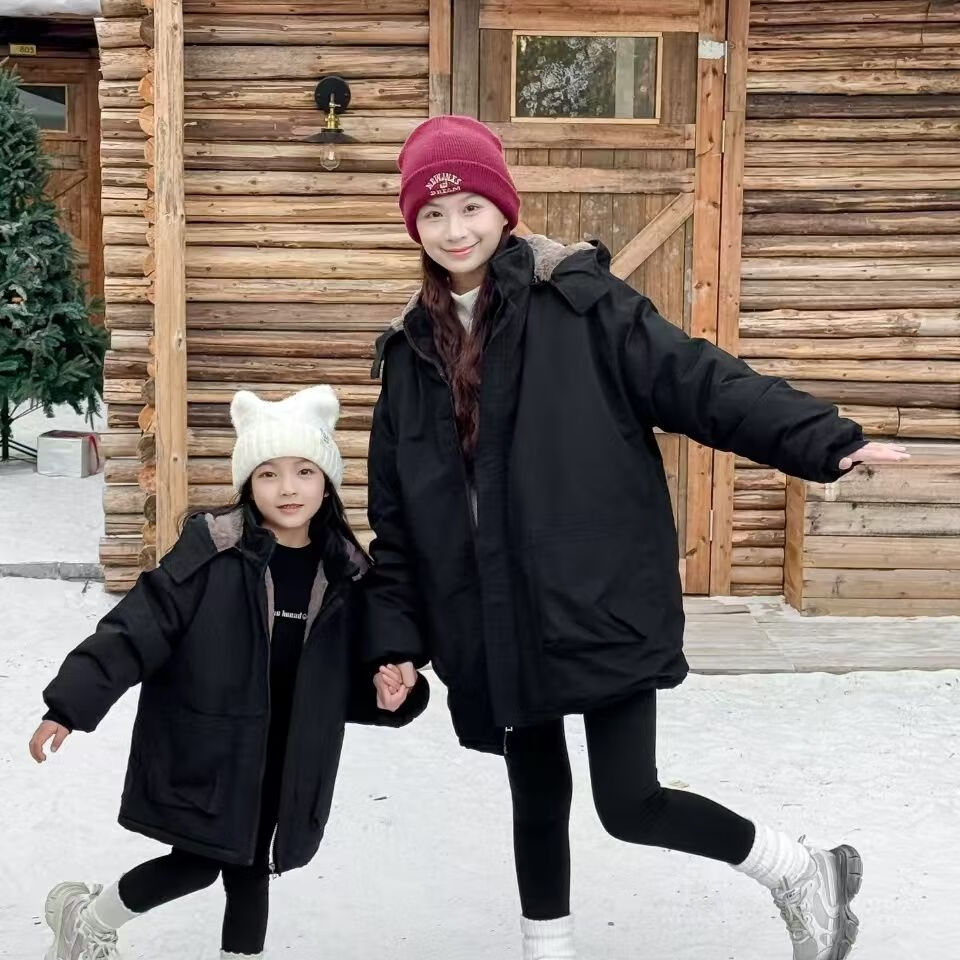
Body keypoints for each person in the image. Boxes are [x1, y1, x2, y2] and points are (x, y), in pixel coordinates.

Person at [364, 115, 909, 960]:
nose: (454, 229)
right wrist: (395, 639)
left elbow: (698, 380)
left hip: (596, 594)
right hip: (492, 616)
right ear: (415, 227)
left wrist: (823, 438)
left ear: (504, 207)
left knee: (629, 802)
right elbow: (397, 522)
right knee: (536, 794)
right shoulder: (408, 356)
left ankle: (803, 871)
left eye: (469, 206)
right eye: (432, 214)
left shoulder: (579, 303)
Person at [29, 385, 429, 960]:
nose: (287, 488)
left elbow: (348, 680)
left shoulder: (349, 575)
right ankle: (87, 920)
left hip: (287, 761)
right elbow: (136, 629)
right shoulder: (212, 552)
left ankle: (89, 919)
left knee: (251, 872)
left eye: (304, 471)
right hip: (211, 751)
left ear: (326, 481)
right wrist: (69, 705)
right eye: (268, 474)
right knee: (196, 864)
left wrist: (390, 694)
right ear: (248, 482)